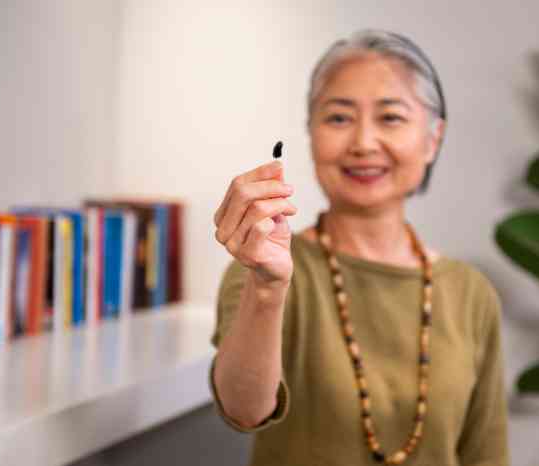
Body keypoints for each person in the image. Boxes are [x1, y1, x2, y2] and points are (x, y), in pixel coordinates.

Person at [210, 29, 509, 466]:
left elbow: (486, 454)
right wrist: (268, 286)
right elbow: (243, 409)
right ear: (311, 134)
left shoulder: (471, 293)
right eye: (338, 118)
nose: (364, 143)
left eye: (390, 117)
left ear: (433, 138)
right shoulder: (261, 268)